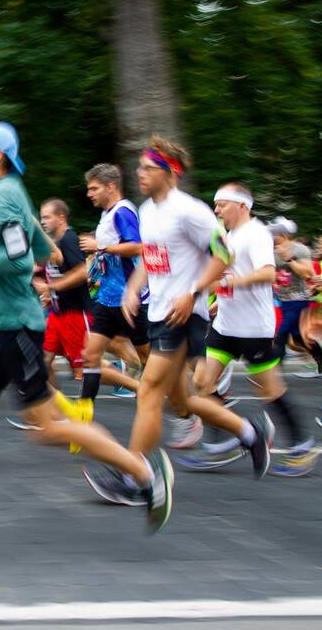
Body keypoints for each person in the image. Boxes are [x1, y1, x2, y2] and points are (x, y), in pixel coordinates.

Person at [0, 123, 170, 554]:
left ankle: (144, 473)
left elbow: (18, 256)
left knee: (49, 428)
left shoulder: (3, 196)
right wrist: (43, 250)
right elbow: (47, 251)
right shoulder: (5, 197)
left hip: (13, 328)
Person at [84, 136, 273, 507]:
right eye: (139, 167)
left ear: (170, 173)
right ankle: (249, 432)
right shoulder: (148, 211)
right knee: (181, 398)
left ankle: (135, 477)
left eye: (147, 168)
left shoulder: (191, 211)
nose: (139, 173)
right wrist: (132, 288)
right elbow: (151, 260)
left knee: (150, 390)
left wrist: (194, 292)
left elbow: (224, 253)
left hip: (183, 314)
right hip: (159, 310)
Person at [175, 183, 314, 476]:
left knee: (270, 389)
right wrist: (217, 301)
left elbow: (267, 273)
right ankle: (219, 444)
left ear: (242, 206)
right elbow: (226, 272)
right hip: (225, 325)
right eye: (215, 205)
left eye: (222, 204)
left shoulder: (257, 234)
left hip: (253, 330)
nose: (216, 210)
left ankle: (302, 445)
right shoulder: (227, 236)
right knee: (202, 383)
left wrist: (226, 285)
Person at [69, 164, 149, 416]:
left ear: (111, 186)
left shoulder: (123, 212)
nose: (89, 194)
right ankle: (84, 413)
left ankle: (183, 406)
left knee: (150, 359)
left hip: (130, 298)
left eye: (94, 188)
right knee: (90, 356)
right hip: (107, 299)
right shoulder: (107, 214)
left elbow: (137, 247)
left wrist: (99, 245)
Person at [35, 199, 93, 387]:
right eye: (41, 217)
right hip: (57, 314)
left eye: (47, 217)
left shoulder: (69, 240)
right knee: (41, 362)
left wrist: (51, 288)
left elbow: (83, 273)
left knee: (87, 369)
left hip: (75, 314)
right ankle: (50, 411)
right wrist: (50, 296)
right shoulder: (55, 242)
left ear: (61, 218)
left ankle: (134, 385)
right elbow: (57, 274)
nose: (43, 221)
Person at [270, 217, 322, 374]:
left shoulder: (300, 250)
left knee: (281, 335)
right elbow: (272, 276)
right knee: (298, 338)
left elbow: (308, 274)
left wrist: (289, 259)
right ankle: (320, 357)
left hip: (299, 300)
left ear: (284, 234)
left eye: (274, 233)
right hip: (284, 301)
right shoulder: (271, 252)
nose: (271, 236)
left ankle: (272, 373)